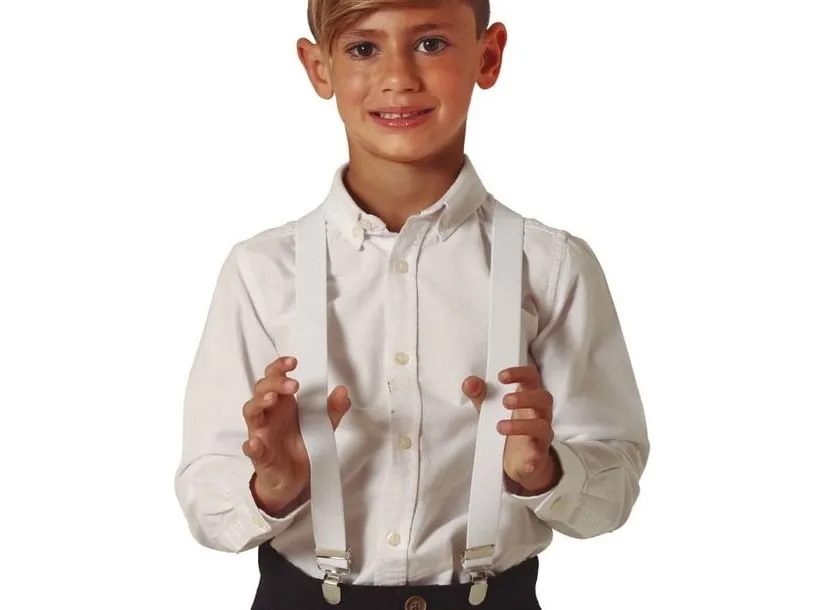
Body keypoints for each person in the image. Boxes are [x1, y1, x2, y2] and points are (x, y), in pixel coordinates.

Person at [173, 1, 650, 608]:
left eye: (430, 44)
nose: (398, 77)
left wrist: (544, 473)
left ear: (488, 56)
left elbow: (613, 490)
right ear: (318, 68)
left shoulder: (551, 267)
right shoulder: (262, 271)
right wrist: (273, 486)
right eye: (363, 48)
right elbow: (206, 496)